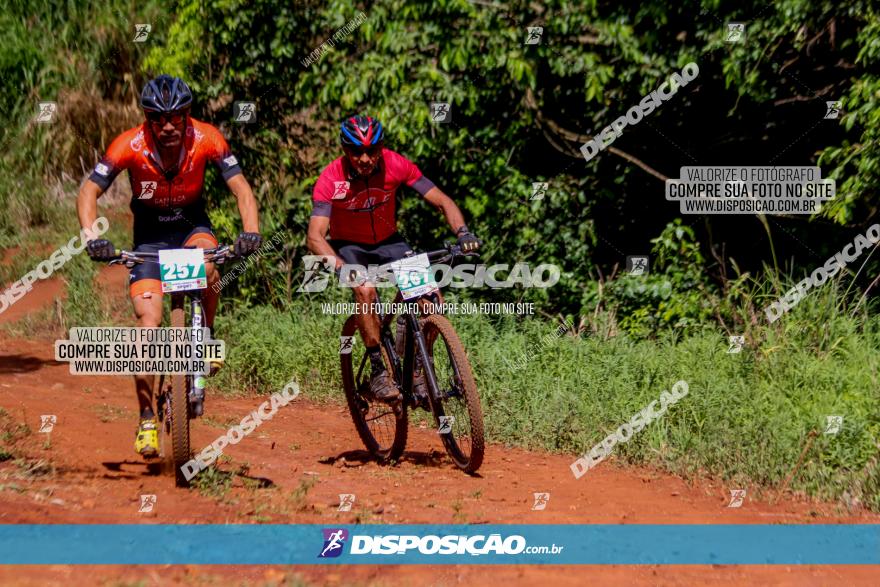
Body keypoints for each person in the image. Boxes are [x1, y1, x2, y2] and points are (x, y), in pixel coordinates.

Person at [76, 75, 262, 458]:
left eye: (174, 117)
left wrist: (251, 231)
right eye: (157, 119)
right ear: (146, 118)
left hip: (192, 227)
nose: (167, 126)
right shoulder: (128, 144)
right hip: (149, 239)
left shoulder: (208, 138)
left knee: (211, 267)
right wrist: (91, 235)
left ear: (186, 115)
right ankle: (146, 419)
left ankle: (205, 337)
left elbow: (241, 188)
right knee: (148, 326)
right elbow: (89, 190)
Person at [307, 115, 480, 402]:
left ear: (381, 148)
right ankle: (377, 370)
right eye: (356, 151)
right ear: (344, 150)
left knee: (432, 301)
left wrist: (462, 232)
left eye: (372, 151)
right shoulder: (331, 178)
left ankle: (416, 370)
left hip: (390, 243)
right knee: (364, 289)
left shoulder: (395, 165)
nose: (365, 158)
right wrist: (343, 268)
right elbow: (315, 236)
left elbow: (442, 200)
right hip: (350, 247)